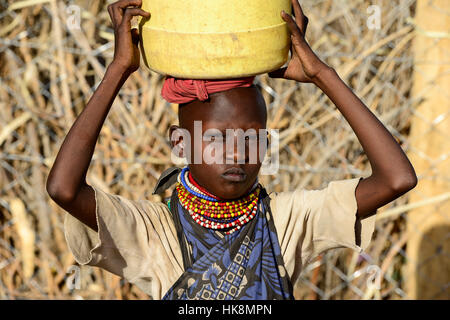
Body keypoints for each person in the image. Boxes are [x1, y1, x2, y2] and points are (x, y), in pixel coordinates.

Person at [46, 0, 417, 300]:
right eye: (216, 139)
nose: (236, 154)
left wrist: (324, 75)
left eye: (251, 137)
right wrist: (118, 69)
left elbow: (397, 179)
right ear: (180, 142)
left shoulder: (289, 221)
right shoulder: (153, 231)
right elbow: (64, 189)